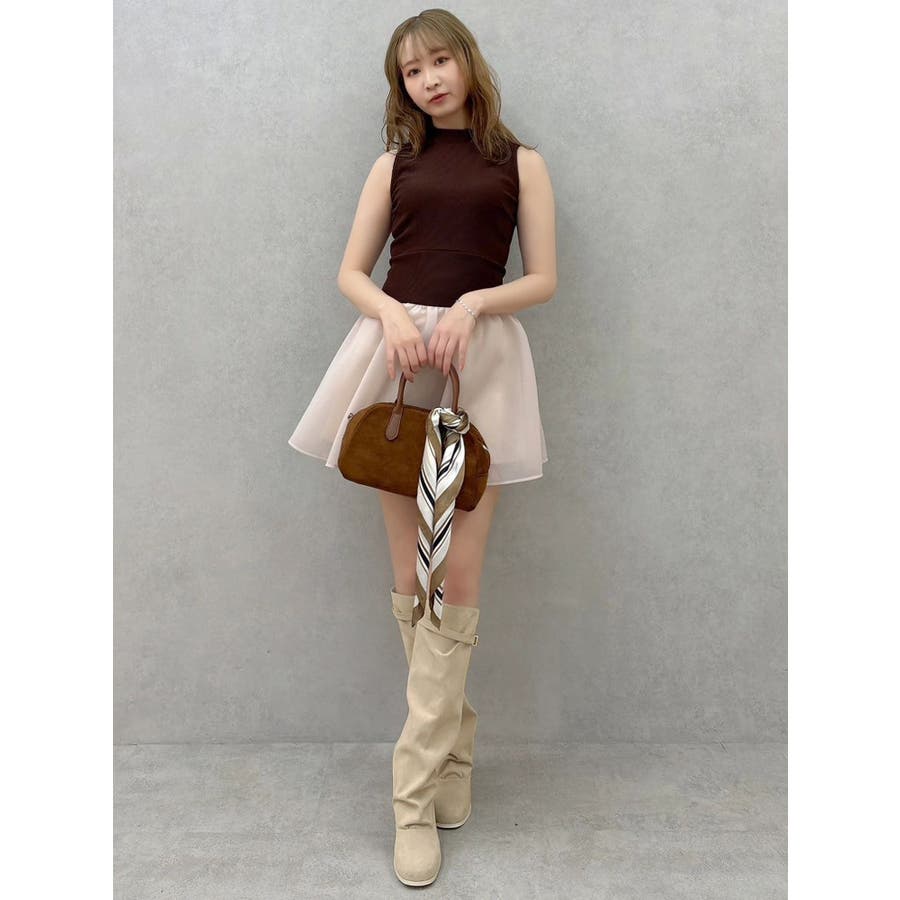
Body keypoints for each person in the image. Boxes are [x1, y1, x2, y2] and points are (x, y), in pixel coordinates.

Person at [287, 9, 557, 887]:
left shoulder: (521, 163)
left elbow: (543, 278)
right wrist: (395, 315)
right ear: (401, 86)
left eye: (440, 60)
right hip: (399, 364)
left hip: (482, 368)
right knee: (411, 576)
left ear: (467, 62)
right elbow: (351, 271)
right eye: (411, 71)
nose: (429, 79)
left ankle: (413, 793)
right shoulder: (392, 165)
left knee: (459, 578)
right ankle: (451, 756)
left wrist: (475, 304)